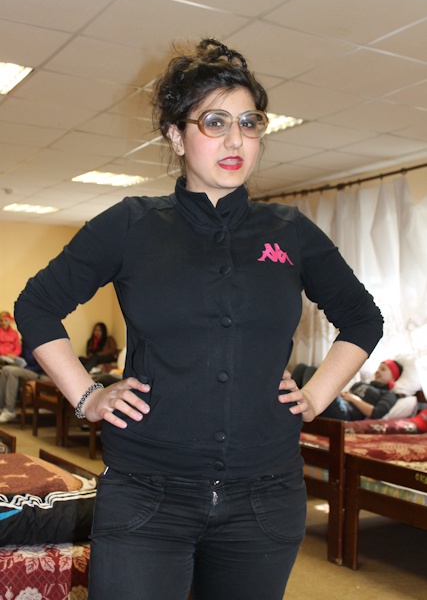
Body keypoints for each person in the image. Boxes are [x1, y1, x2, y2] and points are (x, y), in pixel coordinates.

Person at [14, 38, 383, 600]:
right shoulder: (131, 225)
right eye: (215, 122)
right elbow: (36, 305)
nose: (236, 139)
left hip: (264, 497)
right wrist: (87, 397)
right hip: (147, 494)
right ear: (176, 136)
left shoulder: (290, 232)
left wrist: (315, 395)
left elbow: (362, 318)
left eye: (249, 123)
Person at [292, 359, 402, 420]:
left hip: (346, 413)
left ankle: (305, 403)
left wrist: (353, 399)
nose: (378, 371)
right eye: (378, 368)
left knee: (312, 370)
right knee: (302, 367)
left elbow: (376, 413)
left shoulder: (389, 394)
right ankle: (290, 404)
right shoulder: (363, 384)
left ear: (393, 376)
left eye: (383, 369)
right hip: (340, 403)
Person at [0, 340, 44, 423]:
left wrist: (25, 367)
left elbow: (40, 366)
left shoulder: (41, 342)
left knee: (13, 372)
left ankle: (10, 410)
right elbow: (26, 358)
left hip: (40, 373)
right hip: (29, 369)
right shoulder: (26, 341)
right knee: (5, 370)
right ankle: (1, 407)